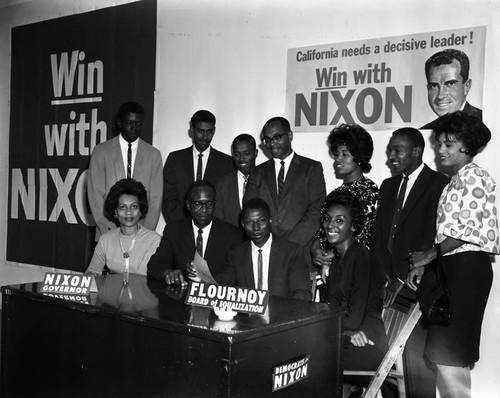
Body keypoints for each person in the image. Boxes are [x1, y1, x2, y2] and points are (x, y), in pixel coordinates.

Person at [408, 112, 499, 398]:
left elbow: (465, 233)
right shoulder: (454, 181)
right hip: (453, 268)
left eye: (449, 144)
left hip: (468, 270)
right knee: (442, 357)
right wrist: (431, 263)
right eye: (439, 144)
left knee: (451, 357)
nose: (441, 150)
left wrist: (427, 257)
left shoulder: (474, 176)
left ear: (466, 146)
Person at [371, 127, 449, 398]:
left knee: (415, 365)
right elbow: (379, 237)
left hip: (417, 287)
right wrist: (386, 277)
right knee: (386, 362)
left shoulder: (440, 184)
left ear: (417, 151)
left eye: (397, 150)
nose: (391, 156)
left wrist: (403, 279)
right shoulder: (388, 186)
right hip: (387, 284)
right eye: (389, 150)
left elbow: (433, 239)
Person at [323, 191, 391, 397]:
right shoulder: (336, 262)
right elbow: (333, 310)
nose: (330, 225)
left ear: (354, 226)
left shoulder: (362, 258)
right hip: (349, 340)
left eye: (339, 220)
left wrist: (341, 333)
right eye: (327, 219)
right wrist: (343, 334)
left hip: (367, 345)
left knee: (310, 361)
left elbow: (354, 318)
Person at [244, 116, 326, 262]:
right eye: (267, 139)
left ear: (290, 136)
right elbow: (251, 211)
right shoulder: (257, 172)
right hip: (265, 254)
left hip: (301, 253)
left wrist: (286, 246)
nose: (271, 144)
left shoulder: (311, 168)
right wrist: (270, 246)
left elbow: (317, 210)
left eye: (276, 137)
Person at [87, 101, 163, 240]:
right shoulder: (101, 151)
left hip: (141, 237)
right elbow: (95, 197)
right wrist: (110, 231)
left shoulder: (153, 155)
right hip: (107, 234)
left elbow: (155, 200)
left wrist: (144, 233)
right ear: (120, 123)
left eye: (139, 124)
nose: (134, 128)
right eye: (130, 123)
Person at [311, 124, 379, 273]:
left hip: (355, 270)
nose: (337, 160)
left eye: (345, 154)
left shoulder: (370, 192)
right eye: (336, 154)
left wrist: (333, 255)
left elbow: (363, 238)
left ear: (359, 157)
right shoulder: (335, 193)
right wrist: (315, 249)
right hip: (330, 271)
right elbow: (322, 231)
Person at [214, 198, 312, 300]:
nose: (256, 228)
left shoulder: (292, 252)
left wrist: (282, 313)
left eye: (261, 221)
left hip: (283, 313)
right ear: (242, 224)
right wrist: (199, 279)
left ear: (270, 219)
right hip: (248, 315)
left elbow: (303, 293)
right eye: (249, 222)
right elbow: (222, 285)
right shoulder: (236, 254)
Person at [148, 180, 243, 285]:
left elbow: (232, 275)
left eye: (209, 204)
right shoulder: (174, 230)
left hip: (215, 298)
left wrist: (205, 283)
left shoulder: (232, 235)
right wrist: (167, 273)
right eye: (198, 204)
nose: (204, 209)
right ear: (188, 205)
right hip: (180, 297)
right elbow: (157, 262)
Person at [162, 110, 234, 223]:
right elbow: (168, 199)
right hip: (181, 228)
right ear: (191, 130)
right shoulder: (175, 159)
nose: (205, 137)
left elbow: (227, 203)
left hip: (215, 230)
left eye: (209, 132)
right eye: (200, 131)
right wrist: (185, 226)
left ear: (214, 131)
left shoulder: (227, 163)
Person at [86, 179, 161, 276]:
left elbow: (146, 276)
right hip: (112, 290)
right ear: (115, 212)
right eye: (122, 207)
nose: (128, 212)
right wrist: (90, 276)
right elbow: (92, 272)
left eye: (134, 206)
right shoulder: (105, 239)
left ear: (140, 210)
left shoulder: (153, 240)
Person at [422, 49, 482, 130]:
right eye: (433, 86)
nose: (440, 95)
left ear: (466, 86)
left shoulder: (487, 120)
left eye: (449, 84)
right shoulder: (425, 131)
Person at [214, 133, 258, 228]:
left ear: (255, 153)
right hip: (230, 240)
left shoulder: (265, 180)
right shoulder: (222, 184)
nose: (241, 159)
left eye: (246, 154)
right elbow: (218, 220)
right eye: (237, 154)